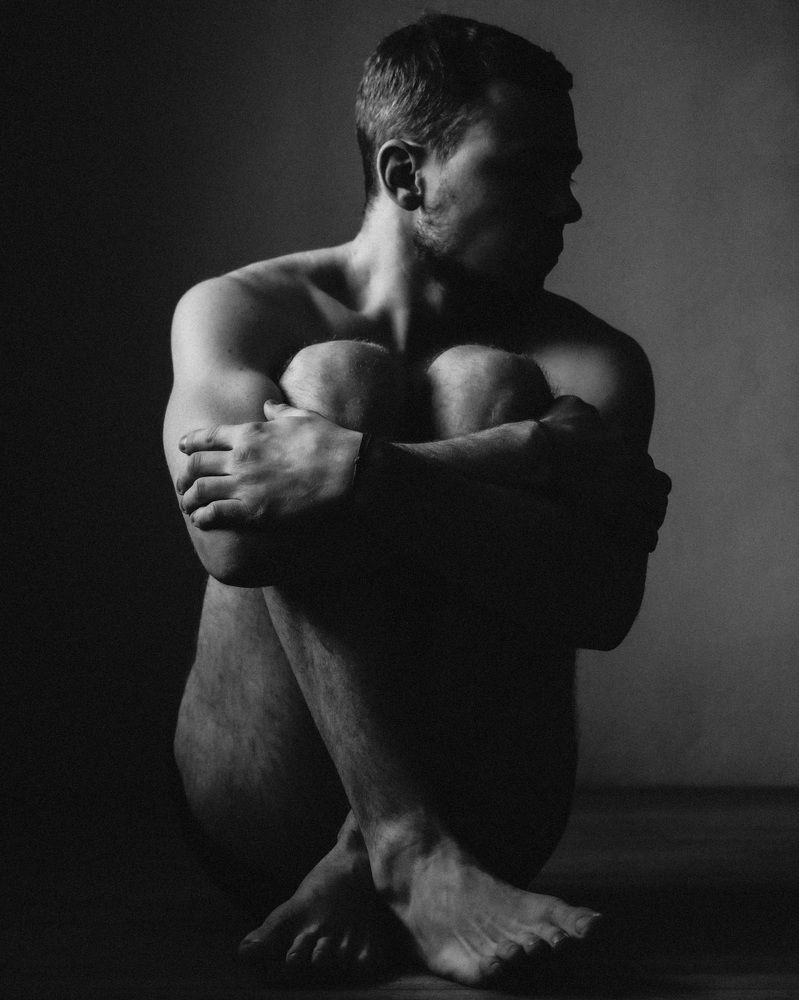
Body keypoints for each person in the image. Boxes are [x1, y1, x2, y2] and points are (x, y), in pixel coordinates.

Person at [163, 13, 670, 988]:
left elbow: (602, 602)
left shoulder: (590, 361)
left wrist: (355, 469)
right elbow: (233, 547)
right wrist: (523, 455)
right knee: (337, 375)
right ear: (406, 177)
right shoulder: (238, 311)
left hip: (488, 831)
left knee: (485, 379)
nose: (566, 205)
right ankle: (402, 841)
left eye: (568, 171)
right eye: (525, 170)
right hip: (262, 815)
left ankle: (384, 850)